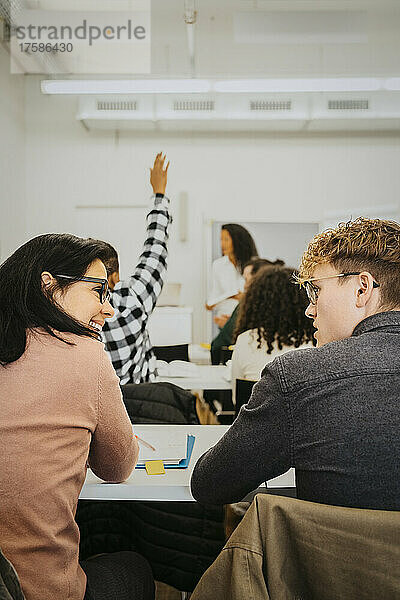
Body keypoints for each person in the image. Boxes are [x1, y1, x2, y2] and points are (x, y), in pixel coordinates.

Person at [191, 217, 400, 511]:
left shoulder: (297, 377)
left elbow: (209, 485)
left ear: (361, 289)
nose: (309, 308)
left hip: (327, 556)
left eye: (316, 290)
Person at [0, 234, 154, 600]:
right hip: (38, 588)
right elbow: (117, 468)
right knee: (134, 567)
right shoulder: (85, 356)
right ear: (48, 283)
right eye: (98, 291)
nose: (108, 308)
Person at [98, 152, 171, 384]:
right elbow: (155, 246)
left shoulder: (71, 315)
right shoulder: (131, 298)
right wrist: (159, 194)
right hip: (143, 411)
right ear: (115, 277)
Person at [230, 266, 315, 403]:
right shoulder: (311, 345)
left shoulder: (246, 340)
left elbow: (236, 399)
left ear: (254, 303)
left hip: (252, 423)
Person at [210, 257, 284, 365]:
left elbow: (218, 345)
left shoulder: (246, 306)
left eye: (246, 280)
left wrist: (231, 325)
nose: (244, 286)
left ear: (259, 279)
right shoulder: (288, 309)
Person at [206, 223, 258, 320]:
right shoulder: (218, 265)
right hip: (224, 318)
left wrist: (243, 297)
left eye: (226, 239)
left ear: (237, 241)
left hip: (245, 319)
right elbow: (214, 295)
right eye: (221, 239)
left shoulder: (253, 265)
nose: (222, 244)